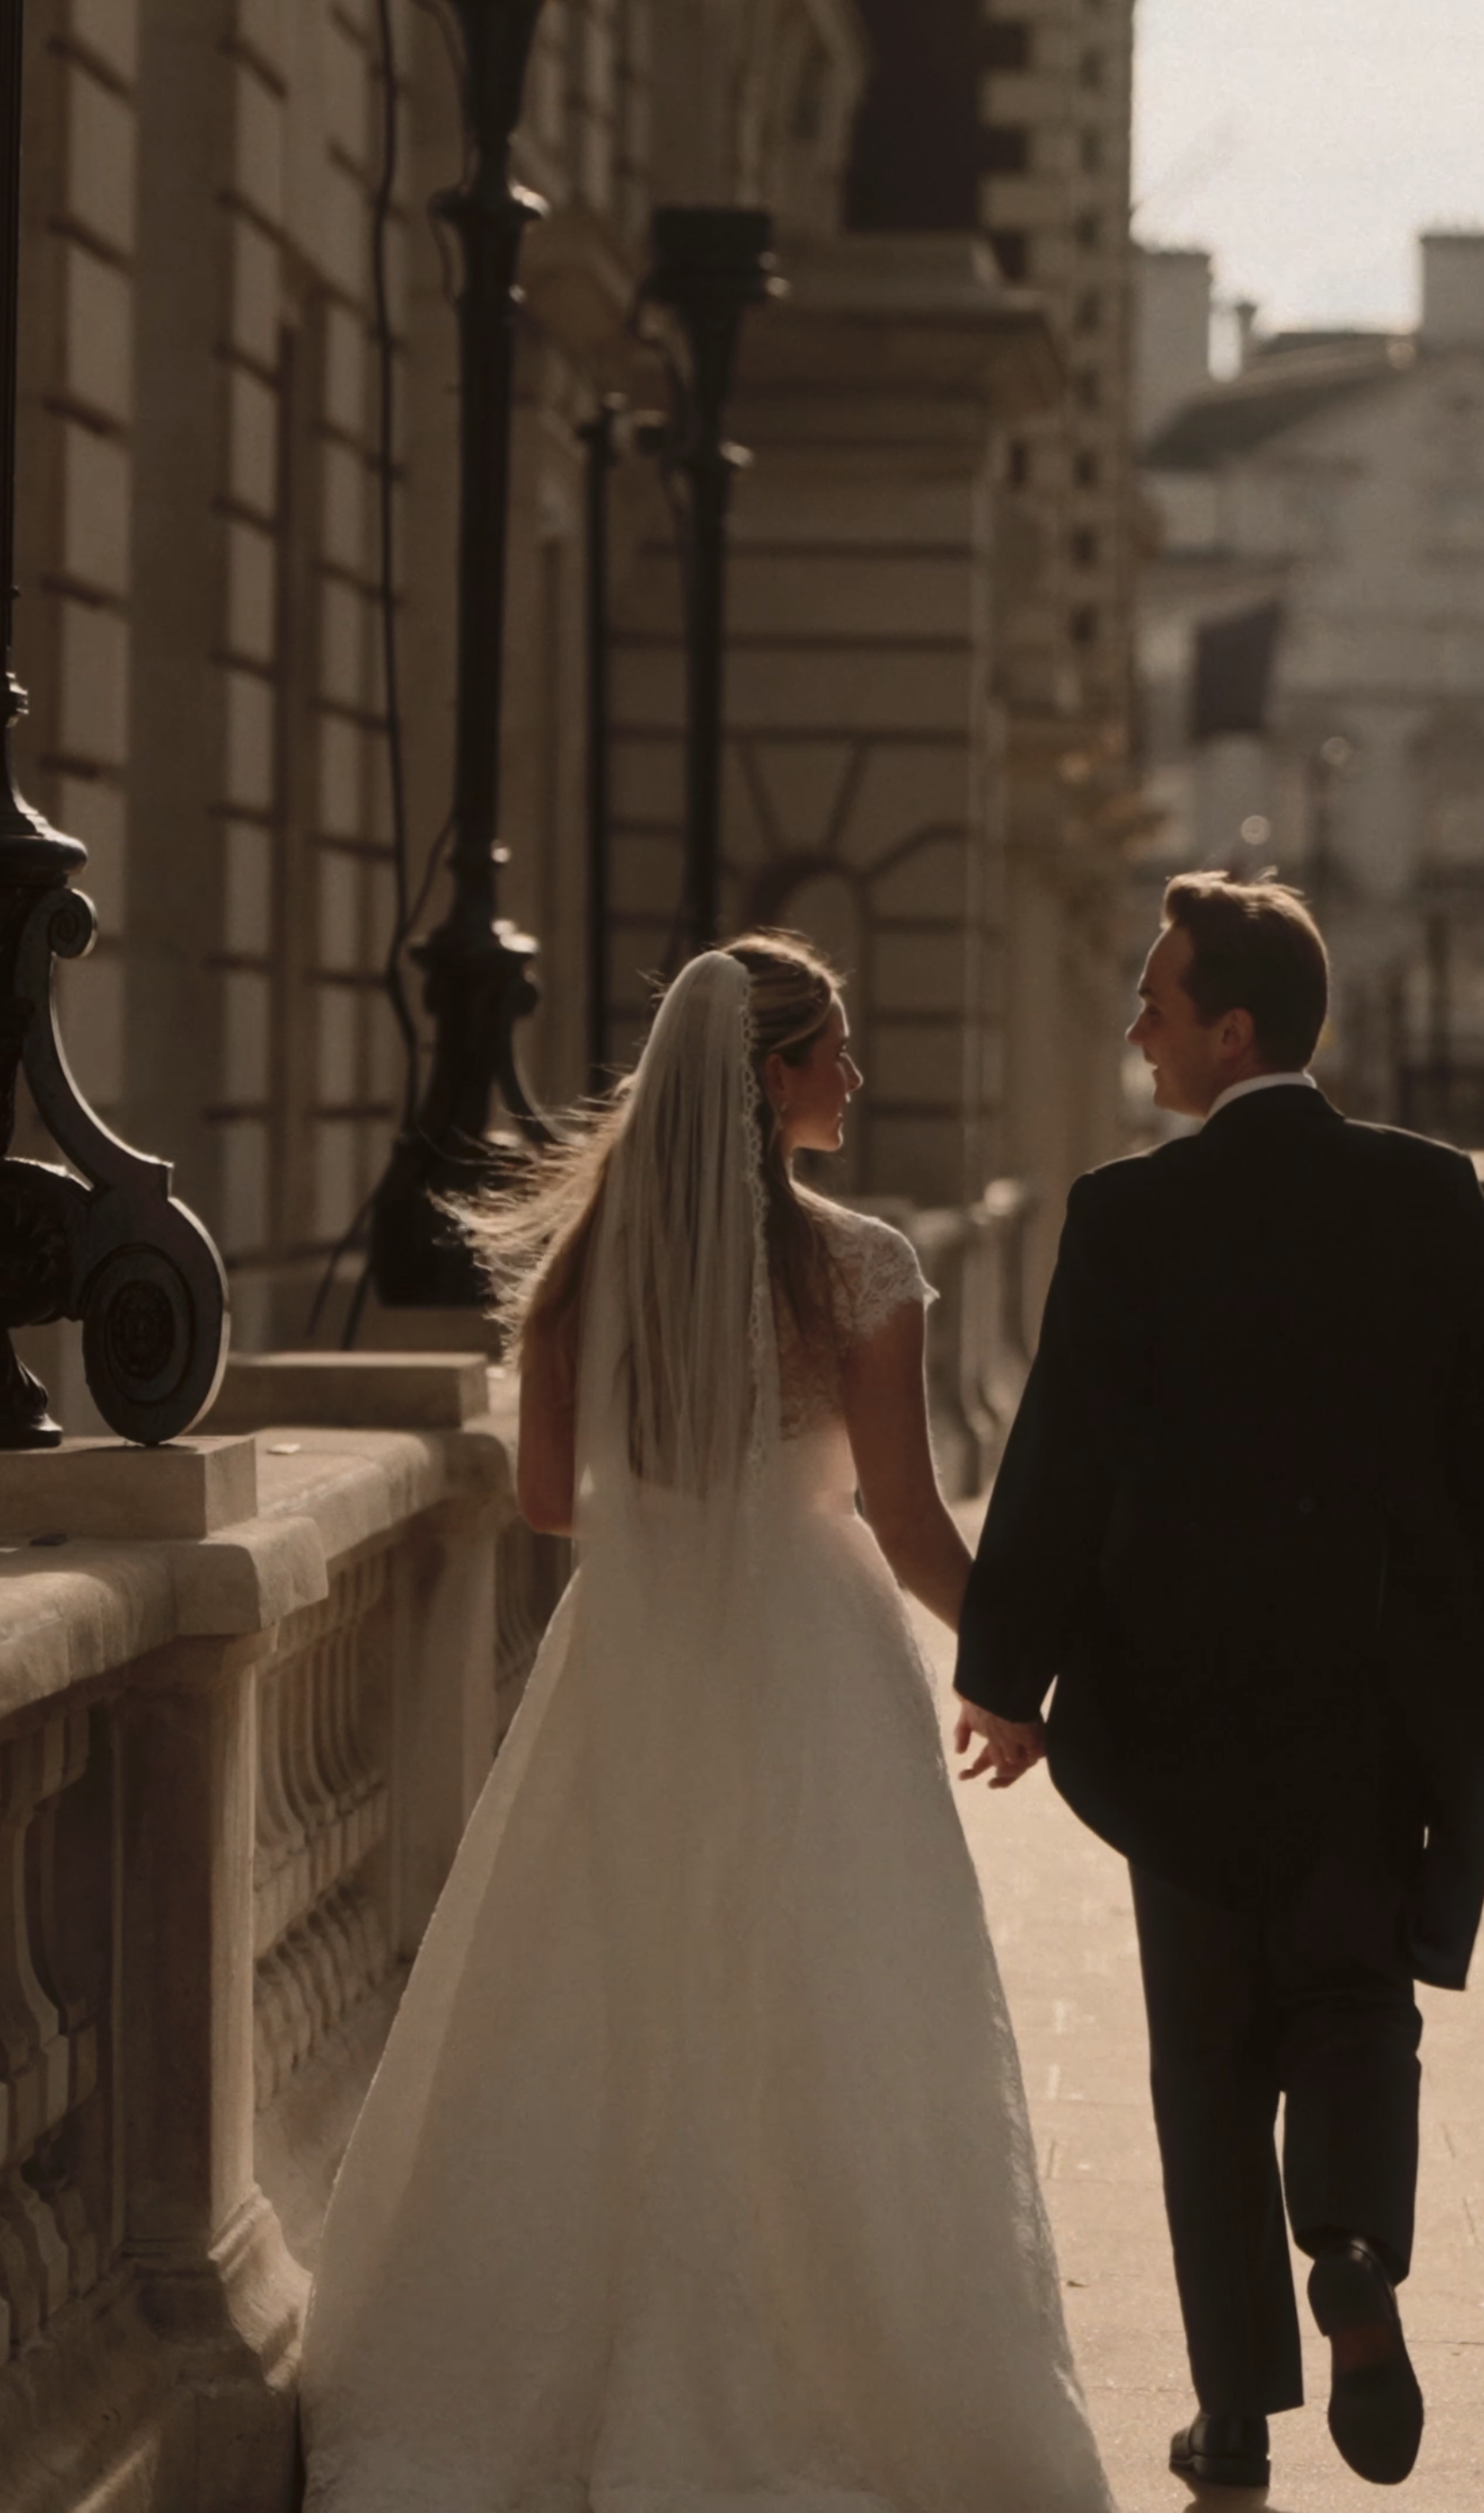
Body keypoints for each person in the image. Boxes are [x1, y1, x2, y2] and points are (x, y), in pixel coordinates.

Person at [301, 934, 1112, 2513]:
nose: (856, 1081)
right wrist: (1023, 1670)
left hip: (637, 1650)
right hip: (815, 1659)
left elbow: (548, 1499)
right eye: (836, 1054)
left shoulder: (585, 1266)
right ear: (768, 1075)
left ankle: (545, 2371)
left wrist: (680, 1493)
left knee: (606, 1991)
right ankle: (829, 2358)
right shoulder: (859, 1264)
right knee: (828, 2005)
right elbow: (902, 1515)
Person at [954, 873, 1484, 2491]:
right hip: (1376, 1697)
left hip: (1179, 1709)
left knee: (1204, 2066)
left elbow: (1057, 1460)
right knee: (1355, 1996)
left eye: (1156, 999)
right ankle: (1349, 2238)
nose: (1133, 1024)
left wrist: (1005, 1672)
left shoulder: (1129, 1215)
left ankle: (1233, 2413)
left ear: (1231, 1027)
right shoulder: (1430, 1194)